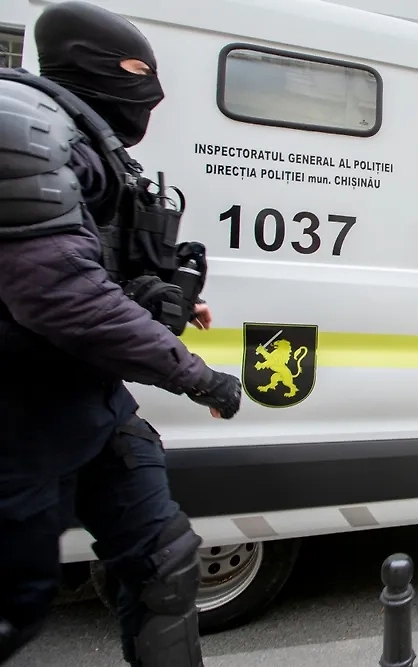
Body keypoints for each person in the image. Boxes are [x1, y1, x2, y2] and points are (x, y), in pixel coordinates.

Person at [0, 2, 242, 665]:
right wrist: (196, 375)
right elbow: (60, 295)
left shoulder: (83, 141)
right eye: (139, 76)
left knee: (166, 561)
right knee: (15, 603)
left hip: (87, 399)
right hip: (18, 412)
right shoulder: (21, 127)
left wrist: (159, 298)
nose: (149, 97)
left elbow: (85, 264)